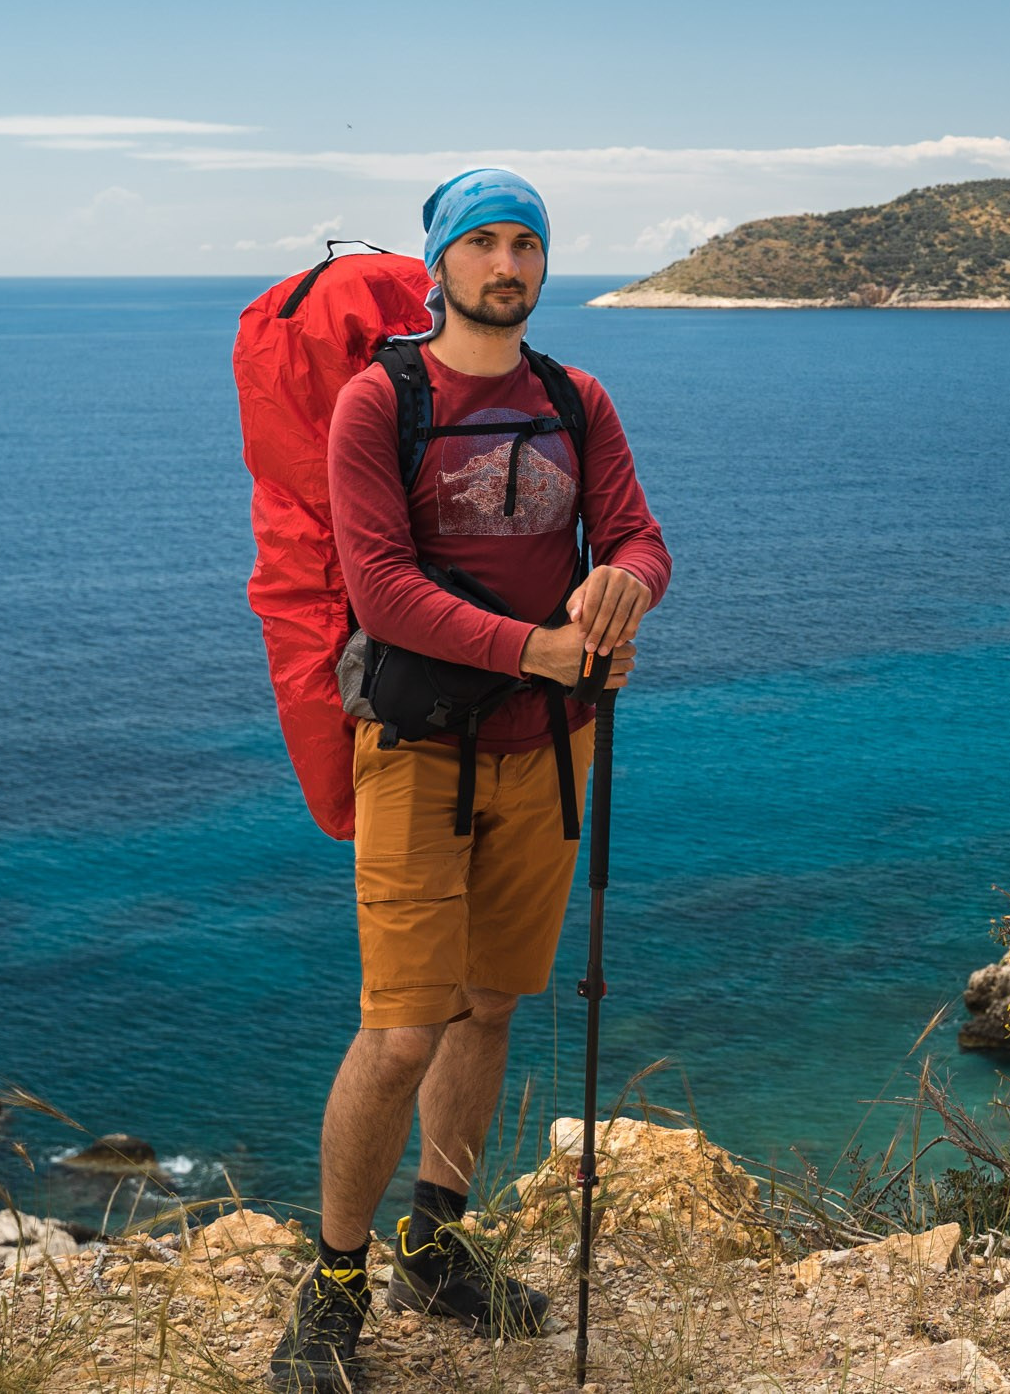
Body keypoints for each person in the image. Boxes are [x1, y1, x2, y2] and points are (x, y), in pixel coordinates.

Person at [269, 168, 670, 1392]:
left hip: (545, 753)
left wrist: (626, 587)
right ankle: (334, 1280)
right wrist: (540, 645)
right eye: (485, 243)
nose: (509, 265)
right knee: (399, 1031)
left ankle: (433, 1242)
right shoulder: (374, 402)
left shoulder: (574, 398)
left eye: (528, 245)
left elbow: (642, 535)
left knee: (491, 1005)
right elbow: (381, 588)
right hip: (418, 751)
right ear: (440, 262)